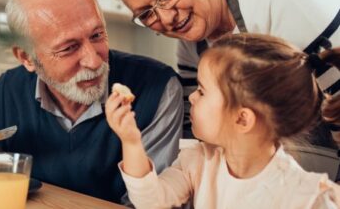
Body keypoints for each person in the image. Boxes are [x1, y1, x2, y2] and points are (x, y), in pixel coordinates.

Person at [0, 0, 184, 204]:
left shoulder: (158, 88)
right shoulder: (6, 89)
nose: (94, 60)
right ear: (26, 57)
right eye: (68, 48)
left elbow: (152, 203)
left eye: (97, 35)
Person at [105, 0, 340, 145]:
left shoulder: (291, 4)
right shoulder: (192, 46)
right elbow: (197, 128)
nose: (166, 19)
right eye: (147, 13)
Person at [106, 33, 340, 209]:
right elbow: (151, 201)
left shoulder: (307, 197)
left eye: (202, 91)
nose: (193, 97)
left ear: (242, 118)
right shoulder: (197, 160)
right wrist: (131, 142)